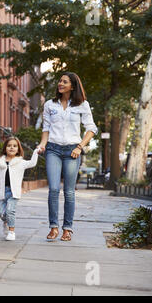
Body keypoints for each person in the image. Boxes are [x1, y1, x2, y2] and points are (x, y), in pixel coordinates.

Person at [37, 72, 97, 241]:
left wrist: (80, 147)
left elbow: (91, 129)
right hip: (53, 150)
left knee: (69, 192)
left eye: (64, 81)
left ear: (72, 86)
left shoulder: (82, 105)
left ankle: (67, 229)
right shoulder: (50, 104)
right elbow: (46, 129)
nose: (60, 83)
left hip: (72, 151)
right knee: (54, 189)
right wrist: (42, 145)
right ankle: (54, 227)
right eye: (60, 80)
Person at [0, 136, 39, 241]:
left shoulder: (20, 162)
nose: (12, 148)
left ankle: (11, 231)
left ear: (18, 149)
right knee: (1, 213)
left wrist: (36, 151)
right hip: (3, 192)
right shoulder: (0, 162)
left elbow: (32, 163)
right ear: (5, 148)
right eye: (9, 146)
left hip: (14, 193)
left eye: (14, 146)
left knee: (10, 210)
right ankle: (6, 222)